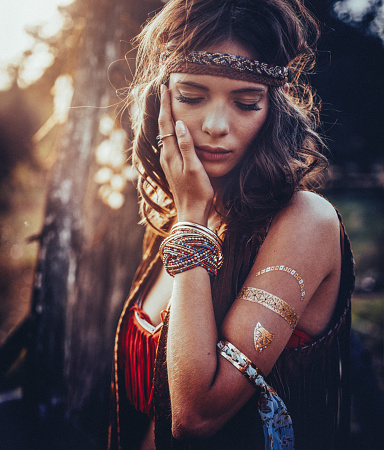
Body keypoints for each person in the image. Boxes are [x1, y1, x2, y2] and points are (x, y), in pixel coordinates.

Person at [108, 1, 354, 449]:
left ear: (273, 110)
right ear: (160, 100)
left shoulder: (305, 222)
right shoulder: (176, 217)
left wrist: (190, 224)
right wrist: (189, 217)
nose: (216, 125)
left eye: (245, 102)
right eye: (191, 97)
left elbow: (194, 416)